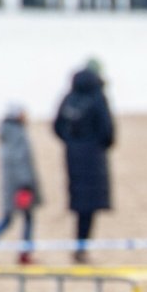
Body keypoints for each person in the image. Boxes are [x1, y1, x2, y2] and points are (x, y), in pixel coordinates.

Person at [53, 59, 115, 265]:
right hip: (93, 156)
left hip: (72, 154)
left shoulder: (70, 96)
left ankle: (80, 245)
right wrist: (97, 144)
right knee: (90, 205)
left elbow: (57, 125)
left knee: (80, 202)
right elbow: (107, 129)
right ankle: (81, 246)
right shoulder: (97, 97)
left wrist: (71, 142)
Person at [0, 103, 41, 267]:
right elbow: (20, 160)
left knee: (10, 218)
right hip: (20, 186)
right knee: (24, 218)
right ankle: (24, 253)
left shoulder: (7, 133)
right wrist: (25, 183)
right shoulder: (17, 133)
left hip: (12, 184)